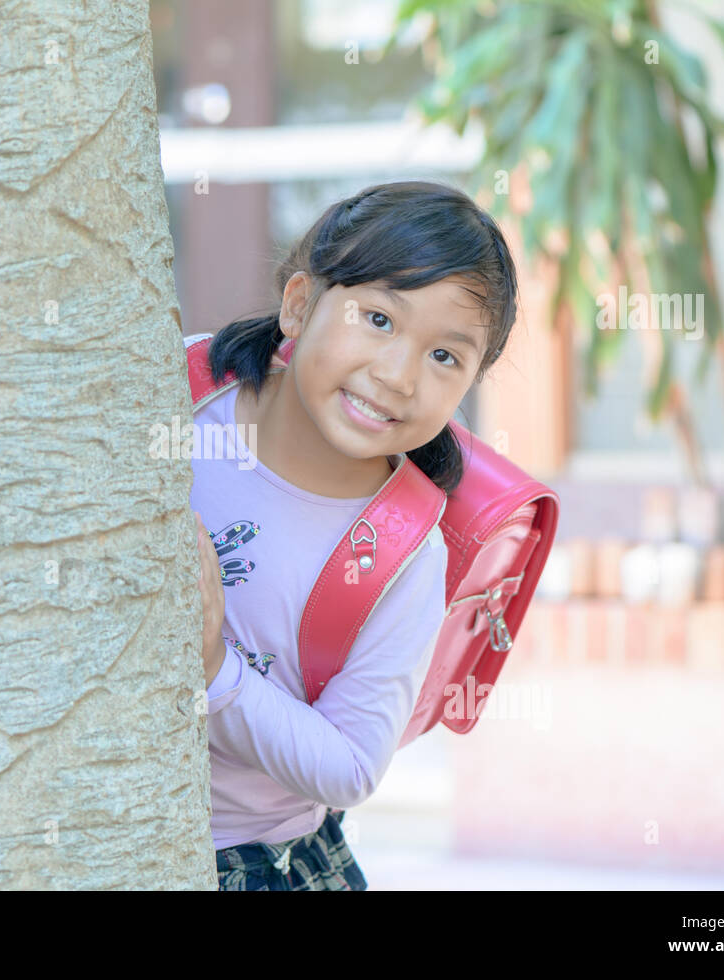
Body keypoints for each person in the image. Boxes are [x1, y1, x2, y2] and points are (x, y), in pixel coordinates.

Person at [188, 179, 519, 890]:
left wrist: (214, 669)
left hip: (246, 856)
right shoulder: (185, 392)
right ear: (301, 304)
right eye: (378, 319)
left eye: (445, 358)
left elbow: (350, 765)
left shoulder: (401, 551)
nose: (397, 376)